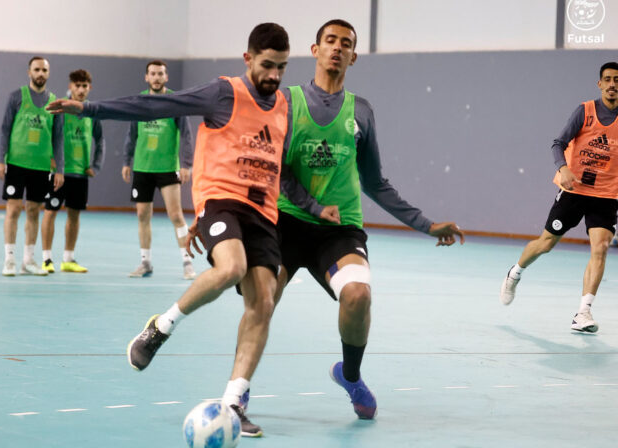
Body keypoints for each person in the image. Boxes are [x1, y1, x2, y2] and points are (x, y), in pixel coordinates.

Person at [47, 23, 332, 437]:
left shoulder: (285, 105)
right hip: (221, 199)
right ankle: (160, 328)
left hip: (263, 214)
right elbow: (156, 107)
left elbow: (282, 172)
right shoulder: (223, 92)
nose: (274, 76)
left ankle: (234, 402)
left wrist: (314, 207)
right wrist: (90, 109)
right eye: (268, 65)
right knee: (231, 267)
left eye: (282, 68)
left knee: (264, 300)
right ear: (248, 58)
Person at [210, 19, 465, 421]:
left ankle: (350, 374)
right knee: (261, 300)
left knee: (359, 295)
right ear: (314, 50)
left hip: (339, 230)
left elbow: (376, 182)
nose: (337, 48)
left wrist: (427, 224)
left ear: (354, 56)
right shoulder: (286, 102)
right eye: (330, 41)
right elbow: (267, 167)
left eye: (346, 44)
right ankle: (236, 394)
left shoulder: (361, 112)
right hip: (285, 222)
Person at [500, 62, 618, 334]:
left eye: (617, 80)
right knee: (545, 244)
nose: (612, 84)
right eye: (608, 80)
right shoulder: (585, 111)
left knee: (599, 248)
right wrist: (563, 169)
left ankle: (583, 312)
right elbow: (558, 143)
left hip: (606, 195)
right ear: (600, 84)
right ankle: (514, 273)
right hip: (574, 190)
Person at [123, 60, 196, 279]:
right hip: (142, 168)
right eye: (152, 74)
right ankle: (145, 263)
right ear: (146, 77)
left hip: (167, 169)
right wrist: (127, 161)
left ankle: (187, 262)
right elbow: (131, 135)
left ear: (166, 77)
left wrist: (186, 164)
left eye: (160, 74)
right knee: (143, 215)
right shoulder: (139, 102)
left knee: (176, 215)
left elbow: (186, 134)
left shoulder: (175, 102)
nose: (156, 77)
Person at [0, 56, 64, 276]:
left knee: (34, 211)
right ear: (29, 72)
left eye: (44, 70)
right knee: (13, 209)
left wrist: (59, 169)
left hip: (41, 166)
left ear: (49, 73)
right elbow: (5, 129)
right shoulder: (16, 97)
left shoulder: (54, 102)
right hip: (16, 163)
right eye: (37, 69)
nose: (40, 73)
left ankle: (28, 260)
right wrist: (0, 159)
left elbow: (58, 138)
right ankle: (9, 260)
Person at [40, 69, 105, 273]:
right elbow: (47, 135)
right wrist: (51, 161)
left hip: (80, 173)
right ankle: (47, 259)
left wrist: (95, 165)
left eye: (84, 86)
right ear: (70, 86)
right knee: (50, 212)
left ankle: (68, 259)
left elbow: (100, 140)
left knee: (74, 215)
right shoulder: (60, 108)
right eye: (77, 85)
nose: (81, 89)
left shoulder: (92, 111)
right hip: (59, 172)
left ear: (89, 88)